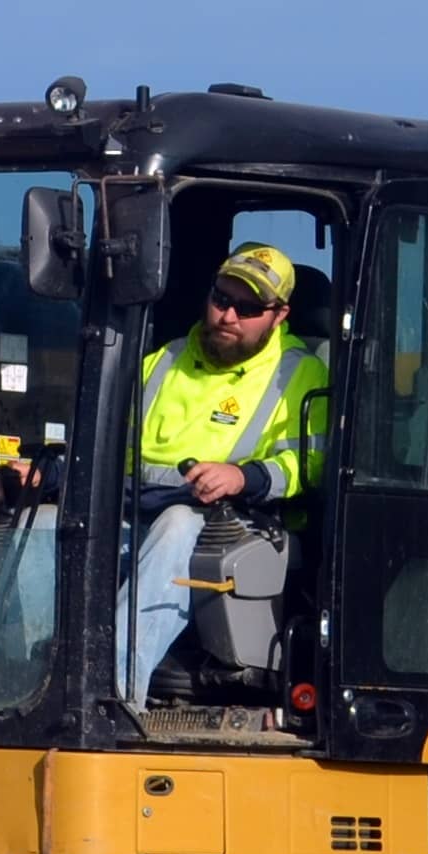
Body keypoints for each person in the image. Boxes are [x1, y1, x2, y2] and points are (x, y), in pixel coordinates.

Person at [115, 243, 335, 701]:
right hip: (136, 511)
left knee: (178, 527)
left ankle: (112, 692)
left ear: (279, 315)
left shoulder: (301, 374)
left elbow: (309, 464)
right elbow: (111, 444)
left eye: (249, 307)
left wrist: (244, 477)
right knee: (47, 519)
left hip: (239, 525)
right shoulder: (162, 362)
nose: (229, 316)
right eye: (222, 299)